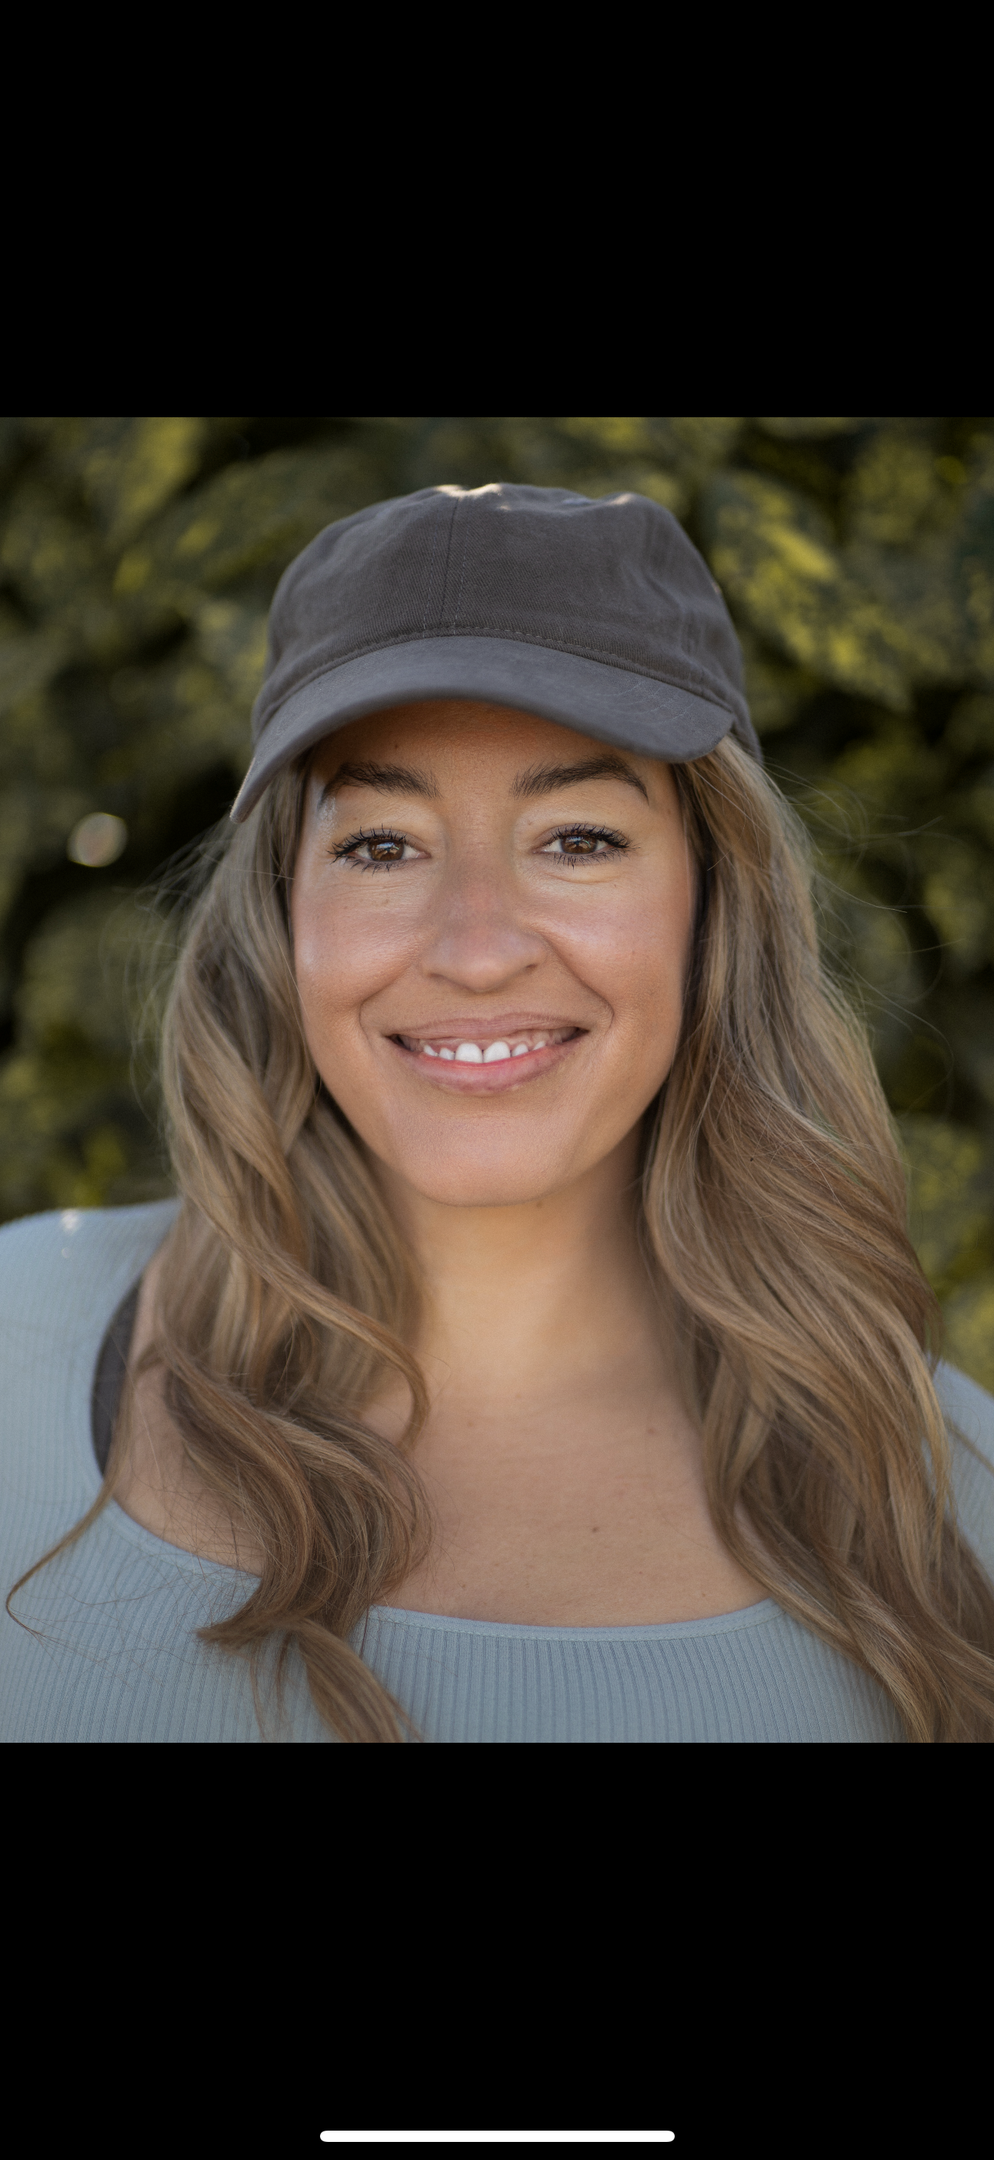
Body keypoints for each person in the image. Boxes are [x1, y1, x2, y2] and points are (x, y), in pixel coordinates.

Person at [3, 480, 994, 1744]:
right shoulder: (14, 1345)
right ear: (281, 912)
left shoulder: (940, 1499)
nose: (475, 950)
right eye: (381, 846)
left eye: (577, 839)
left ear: (713, 904)